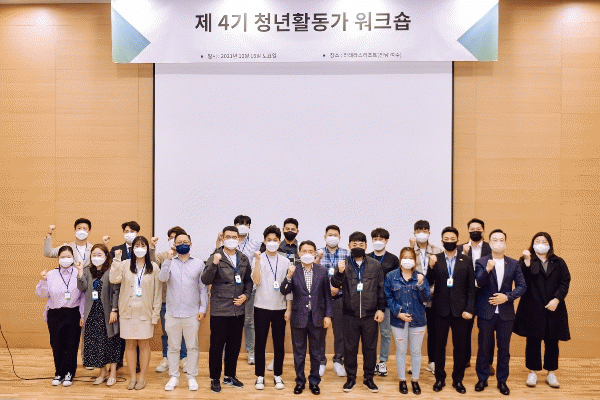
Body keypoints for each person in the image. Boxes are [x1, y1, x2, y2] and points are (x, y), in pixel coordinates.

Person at [514, 232, 570, 389]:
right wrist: (526, 262)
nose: (541, 244)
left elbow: (565, 281)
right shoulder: (525, 260)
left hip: (554, 307)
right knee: (533, 340)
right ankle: (532, 371)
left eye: (544, 241)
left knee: (552, 341)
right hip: (532, 306)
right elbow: (521, 281)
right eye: (537, 241)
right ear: (532, 244)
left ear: (549, 244)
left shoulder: (558, 262)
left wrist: (557, 299)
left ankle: (551, 372)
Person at [331, 231, 385, 394]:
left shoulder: (375, 265)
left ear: (366, 246)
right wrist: (340, 272)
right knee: (350, 348)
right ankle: (351, 378)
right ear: (349, 246)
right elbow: (335, 285)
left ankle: (369, 378)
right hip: (349, 314)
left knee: (370, 348)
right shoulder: (343, 264)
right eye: (354, 244)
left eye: (361, 244)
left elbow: (380, 289)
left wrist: (381, 309)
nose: (357, 246)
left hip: (370, 315)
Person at [474, 229, 526, 396]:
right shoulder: (481, 262)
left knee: (504, 349)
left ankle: (502, 381)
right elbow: (479, 283)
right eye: (494, 240)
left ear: (505, 243)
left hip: (506, 314)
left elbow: (522, 286)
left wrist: (507, 297)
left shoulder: (513, 264)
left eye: (501, 240)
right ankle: (482, 378)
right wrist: (487, 269)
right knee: (483, 348)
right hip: (486, 312)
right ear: (489, 243)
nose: (498, 243)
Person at [202, 226, 253, 393]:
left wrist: (246, 295)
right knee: (217, 346)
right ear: (222, 238)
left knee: (234, 345)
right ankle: (215, 378)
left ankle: (230, 375)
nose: (231, 239)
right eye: (228, 236)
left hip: (238, 310)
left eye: (234, 237)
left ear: (239, 239)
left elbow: (248, 281)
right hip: (220, 310)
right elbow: (205, 279)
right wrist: (214, 264)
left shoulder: (243, 258)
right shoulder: (216, 256)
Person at [426, 226, 475, 394]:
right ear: (441, 241)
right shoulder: (436, 259)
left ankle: (458, 379)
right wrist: (430, 267)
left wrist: (469, 309)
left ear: (457, 240)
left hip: (461, 311)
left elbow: (471, 288)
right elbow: (428, 283)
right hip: (440, 310)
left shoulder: (466, 260)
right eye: (446, 239)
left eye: (452, 239)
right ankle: (439, 378)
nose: (449, 241)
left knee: (460, 347)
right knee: (439, 346)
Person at [109, 236, 162, 390]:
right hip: (127, 312)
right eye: (137, 246)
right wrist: (116, 259)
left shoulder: (154, 267)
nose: (140, 248)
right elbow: (114, 279)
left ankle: (142, 378)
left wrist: (155, 315)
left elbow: (158, 293)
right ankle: (132, 377)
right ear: (133, 248)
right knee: (130, 345)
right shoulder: (125, 264)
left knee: (144, 345)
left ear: (147, 248)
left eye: (143, 245)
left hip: (146, 313)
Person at [280, 240, 332, 395]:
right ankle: (300, 381)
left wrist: (328, 315)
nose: (307, 254)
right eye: (304, 251)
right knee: (299, 352)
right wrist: (288, 276)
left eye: (310, 251)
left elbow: (327, 296)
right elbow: (284, 290)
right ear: (299, 253)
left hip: (317, 317)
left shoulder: (322, 271)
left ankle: (314, 382)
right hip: (298, 316)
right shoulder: (293, 270)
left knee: (316, 352)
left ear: (315, 253)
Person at [159, 232, 208, 392]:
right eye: (179, 242)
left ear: (191, 244)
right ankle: (173, 376)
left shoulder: (199, 263)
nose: (182, 244)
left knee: (192, 347)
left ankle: (192, 377)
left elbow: (203, 288)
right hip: (172, 312)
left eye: (185, 242)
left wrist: (203, 309)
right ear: (174, 245)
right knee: (173, 347)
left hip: (192, 313)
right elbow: (162, 278)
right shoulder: (169, 262)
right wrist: (168, 260)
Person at [36, 246, 85, 387]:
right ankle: (59, 372)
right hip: (55, 313)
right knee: (57, 344)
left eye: (68, 256)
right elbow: (42, 294)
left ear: (73, 258)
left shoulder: (78, 272)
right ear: (58, 258)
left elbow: (83, 296)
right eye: (62, 257)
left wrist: (82, 315)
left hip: (73, 312)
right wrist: (43, 280)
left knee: (72, 344)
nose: (65, 259)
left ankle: (69, 373)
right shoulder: (51, 274)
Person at [384, 247, 431, 395]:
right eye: (405, 257)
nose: (407, 260)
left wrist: (421, 284)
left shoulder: (420, 277)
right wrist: (399, 313)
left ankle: (415, 380)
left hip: (418, 320)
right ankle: (402, 380)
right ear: (400, 259)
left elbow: (426, 298)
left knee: (416, 351)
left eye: (411, 258)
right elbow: (388, 298)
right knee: (401, 351)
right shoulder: (391, 276)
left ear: (415, 261)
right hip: (398, 321)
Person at [251, 225, 292, 390]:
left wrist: (289, 308)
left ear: (280, 241)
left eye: (275, 240)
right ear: (264, 241)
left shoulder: (285, 261)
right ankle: (260, 376)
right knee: (260, 342)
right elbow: (256, 281)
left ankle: (277, 375)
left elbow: (288, 287)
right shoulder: (258, 258)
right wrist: (257, 261)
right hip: (261, 306)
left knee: (279, 343)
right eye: (269, 240)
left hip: (280, 308)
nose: (272, 242)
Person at [76, 244, 122, 386]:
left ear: (106, 256)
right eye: (94, 255)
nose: (96, 257)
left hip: (108, 312)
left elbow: (116, 291)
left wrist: (114, 310)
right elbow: (82, 287)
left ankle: (113, 373)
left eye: (99, 254)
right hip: (92, 312)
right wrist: (79, 272)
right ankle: (103, 372)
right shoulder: (87, 271)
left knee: (111, 342)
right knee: (97, 343)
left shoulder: (111, 270)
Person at [150, 226, 189, 374]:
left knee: (183, 332)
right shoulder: (162, 256)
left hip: (183, 301)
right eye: (171, 237)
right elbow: (151, 263)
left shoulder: (186, 256)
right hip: (165, 301)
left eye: (177, 238)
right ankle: (166, 358)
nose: (174, 240)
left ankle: (184, 358)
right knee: (167, 332)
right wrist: (152, 247)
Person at [457, 218, 494, 373]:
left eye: (478, 229)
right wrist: (463, 255)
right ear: (468, 231)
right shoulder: (460, 248)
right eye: (472, 229)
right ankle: (464, 360)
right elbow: (455, 271)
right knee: (464, 329)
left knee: (486, 331)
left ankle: (487, 363)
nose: (475, 231)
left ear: (483, 231)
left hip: (486, 293)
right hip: (466, 294)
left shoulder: (491, 248)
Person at [409, 220, 442, 375]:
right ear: (414, 232)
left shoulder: (437, 250)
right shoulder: (409, 250)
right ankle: (414, 363)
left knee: (433, 331)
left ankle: (432, 362)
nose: (422, 233)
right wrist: (411, 250)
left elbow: (441, 274)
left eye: (424, 230)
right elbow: (406, 273)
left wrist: (430, 292)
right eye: (419, 230)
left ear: (429, 232)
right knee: (414, 332)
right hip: (415, 298)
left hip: (433, 297)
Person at [317, 224, 349, 377]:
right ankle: (320, 362)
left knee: (340, 332)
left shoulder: (346, 254)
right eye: (330, 235)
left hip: (339, 298)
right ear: (325, 237)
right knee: (320, 332)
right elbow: (313, 274)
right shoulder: (318, 253)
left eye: (335, 235)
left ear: (339, 237)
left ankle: (338, 361)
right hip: (321, 299)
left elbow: (350, 276)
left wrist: (338, 286)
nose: (332, 237)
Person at [367, 227, 400, 377]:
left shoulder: (393, 259)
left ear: (386, 241)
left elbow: (396, 281)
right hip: (369, 302)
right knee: (370, 334)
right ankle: (371, 361)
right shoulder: (367, 257)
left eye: (381, 239)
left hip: (386, 303)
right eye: (375, 239)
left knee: (386, 333)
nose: (378, 241)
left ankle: (382, 362)